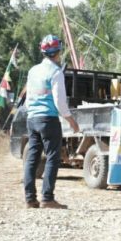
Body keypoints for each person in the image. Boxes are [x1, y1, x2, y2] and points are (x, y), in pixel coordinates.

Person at [23, 34, 80, 209]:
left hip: (32, 118)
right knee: (53, 158)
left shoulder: (33, 71)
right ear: (58, 52)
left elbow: (27, 97)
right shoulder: (56, 72)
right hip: (48, 119)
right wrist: (71, 120)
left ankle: (30, 198)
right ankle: (47, 198)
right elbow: (59, 102)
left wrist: (32, 112)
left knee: (32, 158)